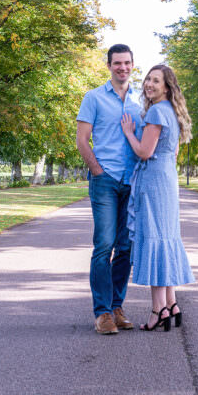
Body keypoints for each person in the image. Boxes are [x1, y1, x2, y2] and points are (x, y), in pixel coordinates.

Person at [120, 64, 194, 331]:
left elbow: (144, 151)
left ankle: (158, 309)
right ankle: (171, 303)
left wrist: (129, 132)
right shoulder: (172, 113)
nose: (149, 84)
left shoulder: (156, 113)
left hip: (153, 182)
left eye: (156, 81)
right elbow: (171, 151)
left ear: (166, 87)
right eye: (148, 79)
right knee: (165, 238)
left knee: (154, 239)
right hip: (166, 179)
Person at [76, 44, 143, 335]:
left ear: (132, 65)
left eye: (127, 63)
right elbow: (82, 139)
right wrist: (96, 170)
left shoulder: (142, 98)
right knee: (104, 245)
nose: (123, 68)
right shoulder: (93, 98)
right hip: (105, 180)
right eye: (117, 63)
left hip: (132, 182)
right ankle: (102, 313)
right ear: (109, 66)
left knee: (126, 247)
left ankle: (117, 307)